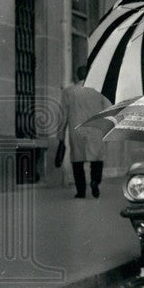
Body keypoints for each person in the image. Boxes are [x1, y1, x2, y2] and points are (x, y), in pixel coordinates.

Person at [59, 65, 110, 198]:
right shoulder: (100, 90)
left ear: (77, 76)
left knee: (77, 161)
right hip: (96, 130)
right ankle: (95, 182)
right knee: (97, 159)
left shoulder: (69, 92)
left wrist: (60, 137)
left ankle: (81, 191)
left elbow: (63, 116)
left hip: (77, 130)